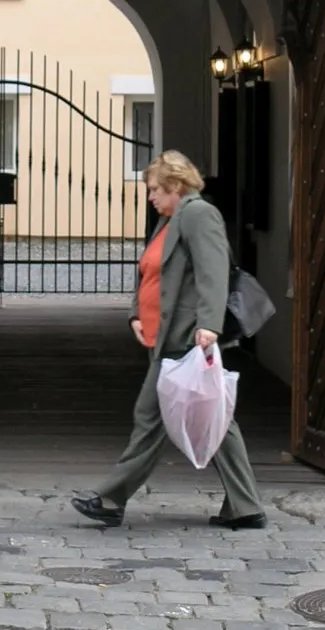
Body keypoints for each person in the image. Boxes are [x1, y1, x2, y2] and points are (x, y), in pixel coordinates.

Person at [71, 149, 265, 532]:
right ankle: (245, 506)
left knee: (150, 417)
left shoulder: (197, 213)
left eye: (156, 189)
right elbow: (150, 272)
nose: (151, 196)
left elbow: (214, 272)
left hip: (185, 338)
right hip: (165, 336)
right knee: (218, 420)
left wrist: (209, 324)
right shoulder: (170, 218)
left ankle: (111, 499)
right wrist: (134, 313)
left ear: (176, 185)